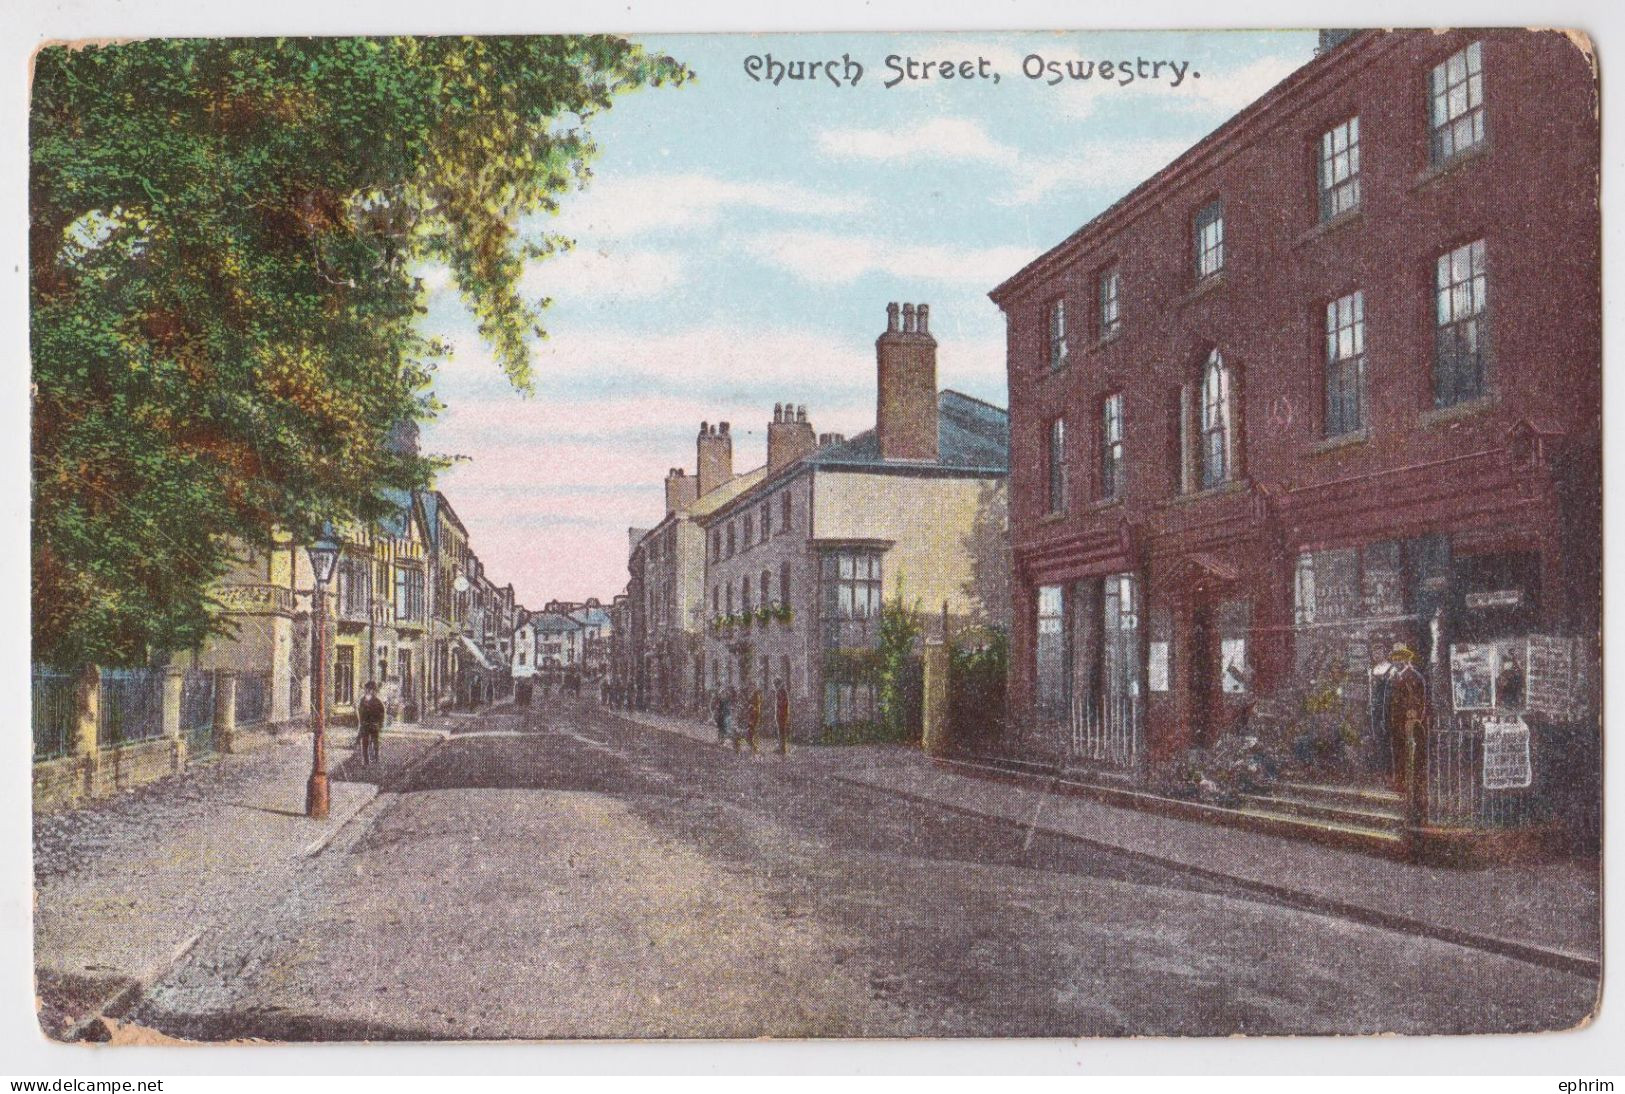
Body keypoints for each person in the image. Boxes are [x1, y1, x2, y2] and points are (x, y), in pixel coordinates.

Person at [357, 680, 385, 766]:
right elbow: (360, 712)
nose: (368, 691)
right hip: (365, 725)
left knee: (375, 742)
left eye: (371, 689)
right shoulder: (362, 700)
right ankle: (366, 761)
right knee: (365, 743)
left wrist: (380, 724)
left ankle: (375, 757)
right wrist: (361, 723)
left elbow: (382, 713)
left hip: (374, 725)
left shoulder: (377, 701)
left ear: (373, 691)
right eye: (367, 689)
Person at [775, 678, 791, 755]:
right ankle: (781, 747)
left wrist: (779, 709)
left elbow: (783, 703)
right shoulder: (781, 691)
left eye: (775, 684)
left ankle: (782, 749)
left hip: (782, 714)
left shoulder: (781, 691)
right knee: (781, 731)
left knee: (782, 731)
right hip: (781, 714)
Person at [746, 686, 762, 754]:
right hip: (752, 716)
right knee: (751, 733)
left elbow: (754, 705)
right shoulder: (755, 696)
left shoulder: (755, 696)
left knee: (751, 733)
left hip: (753, 716)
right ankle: (754, 747)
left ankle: (755, 747)